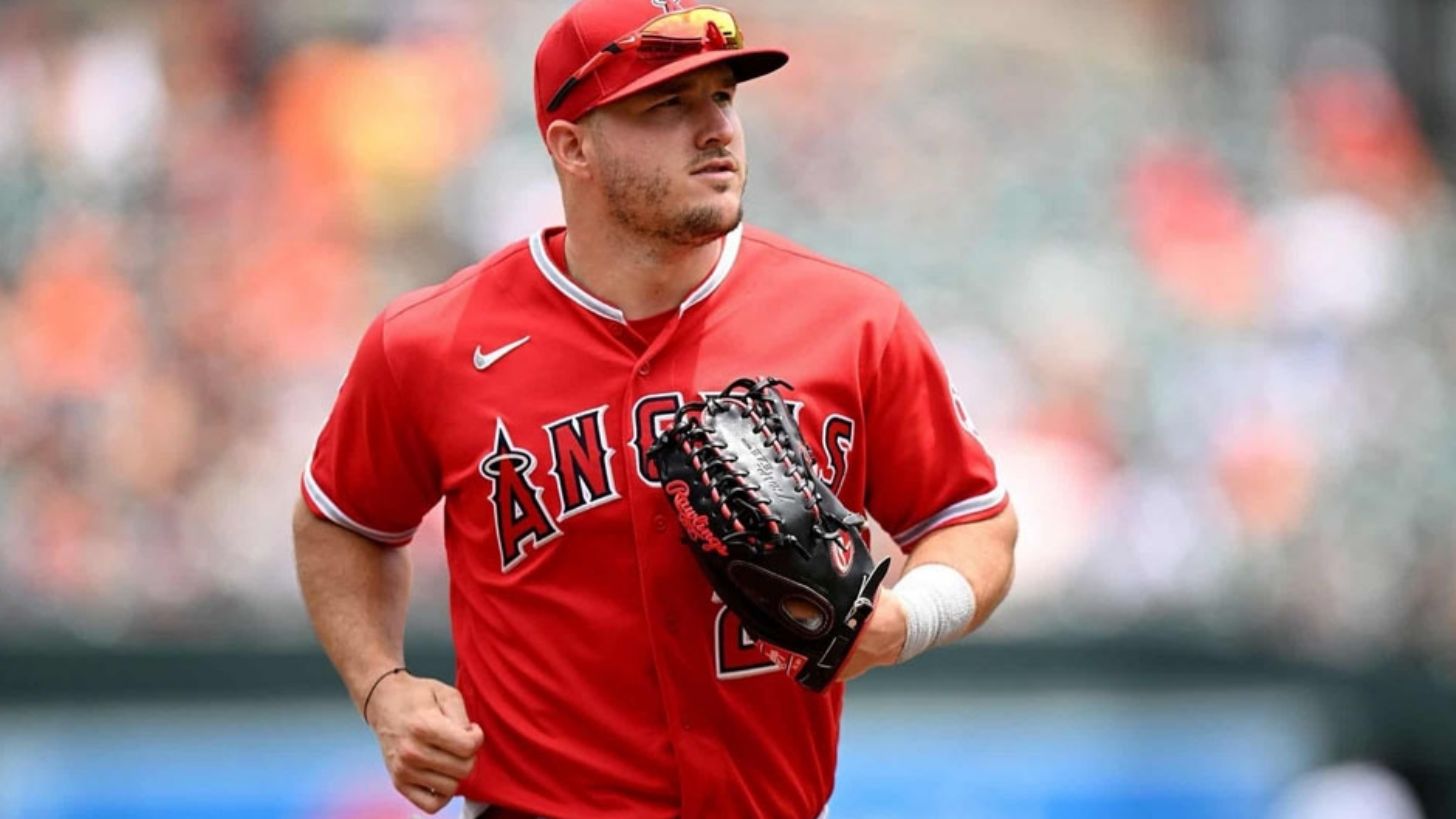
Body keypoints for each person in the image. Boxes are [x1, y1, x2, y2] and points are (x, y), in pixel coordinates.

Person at [292, 1, 1019, 817]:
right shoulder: (433, 341)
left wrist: (905, 620)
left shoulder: (852, 322)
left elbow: (975, 521)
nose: (716, 129)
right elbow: (342, 521)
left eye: (723, 97)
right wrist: (381, 684)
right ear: (572, 146)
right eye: (667, 104)